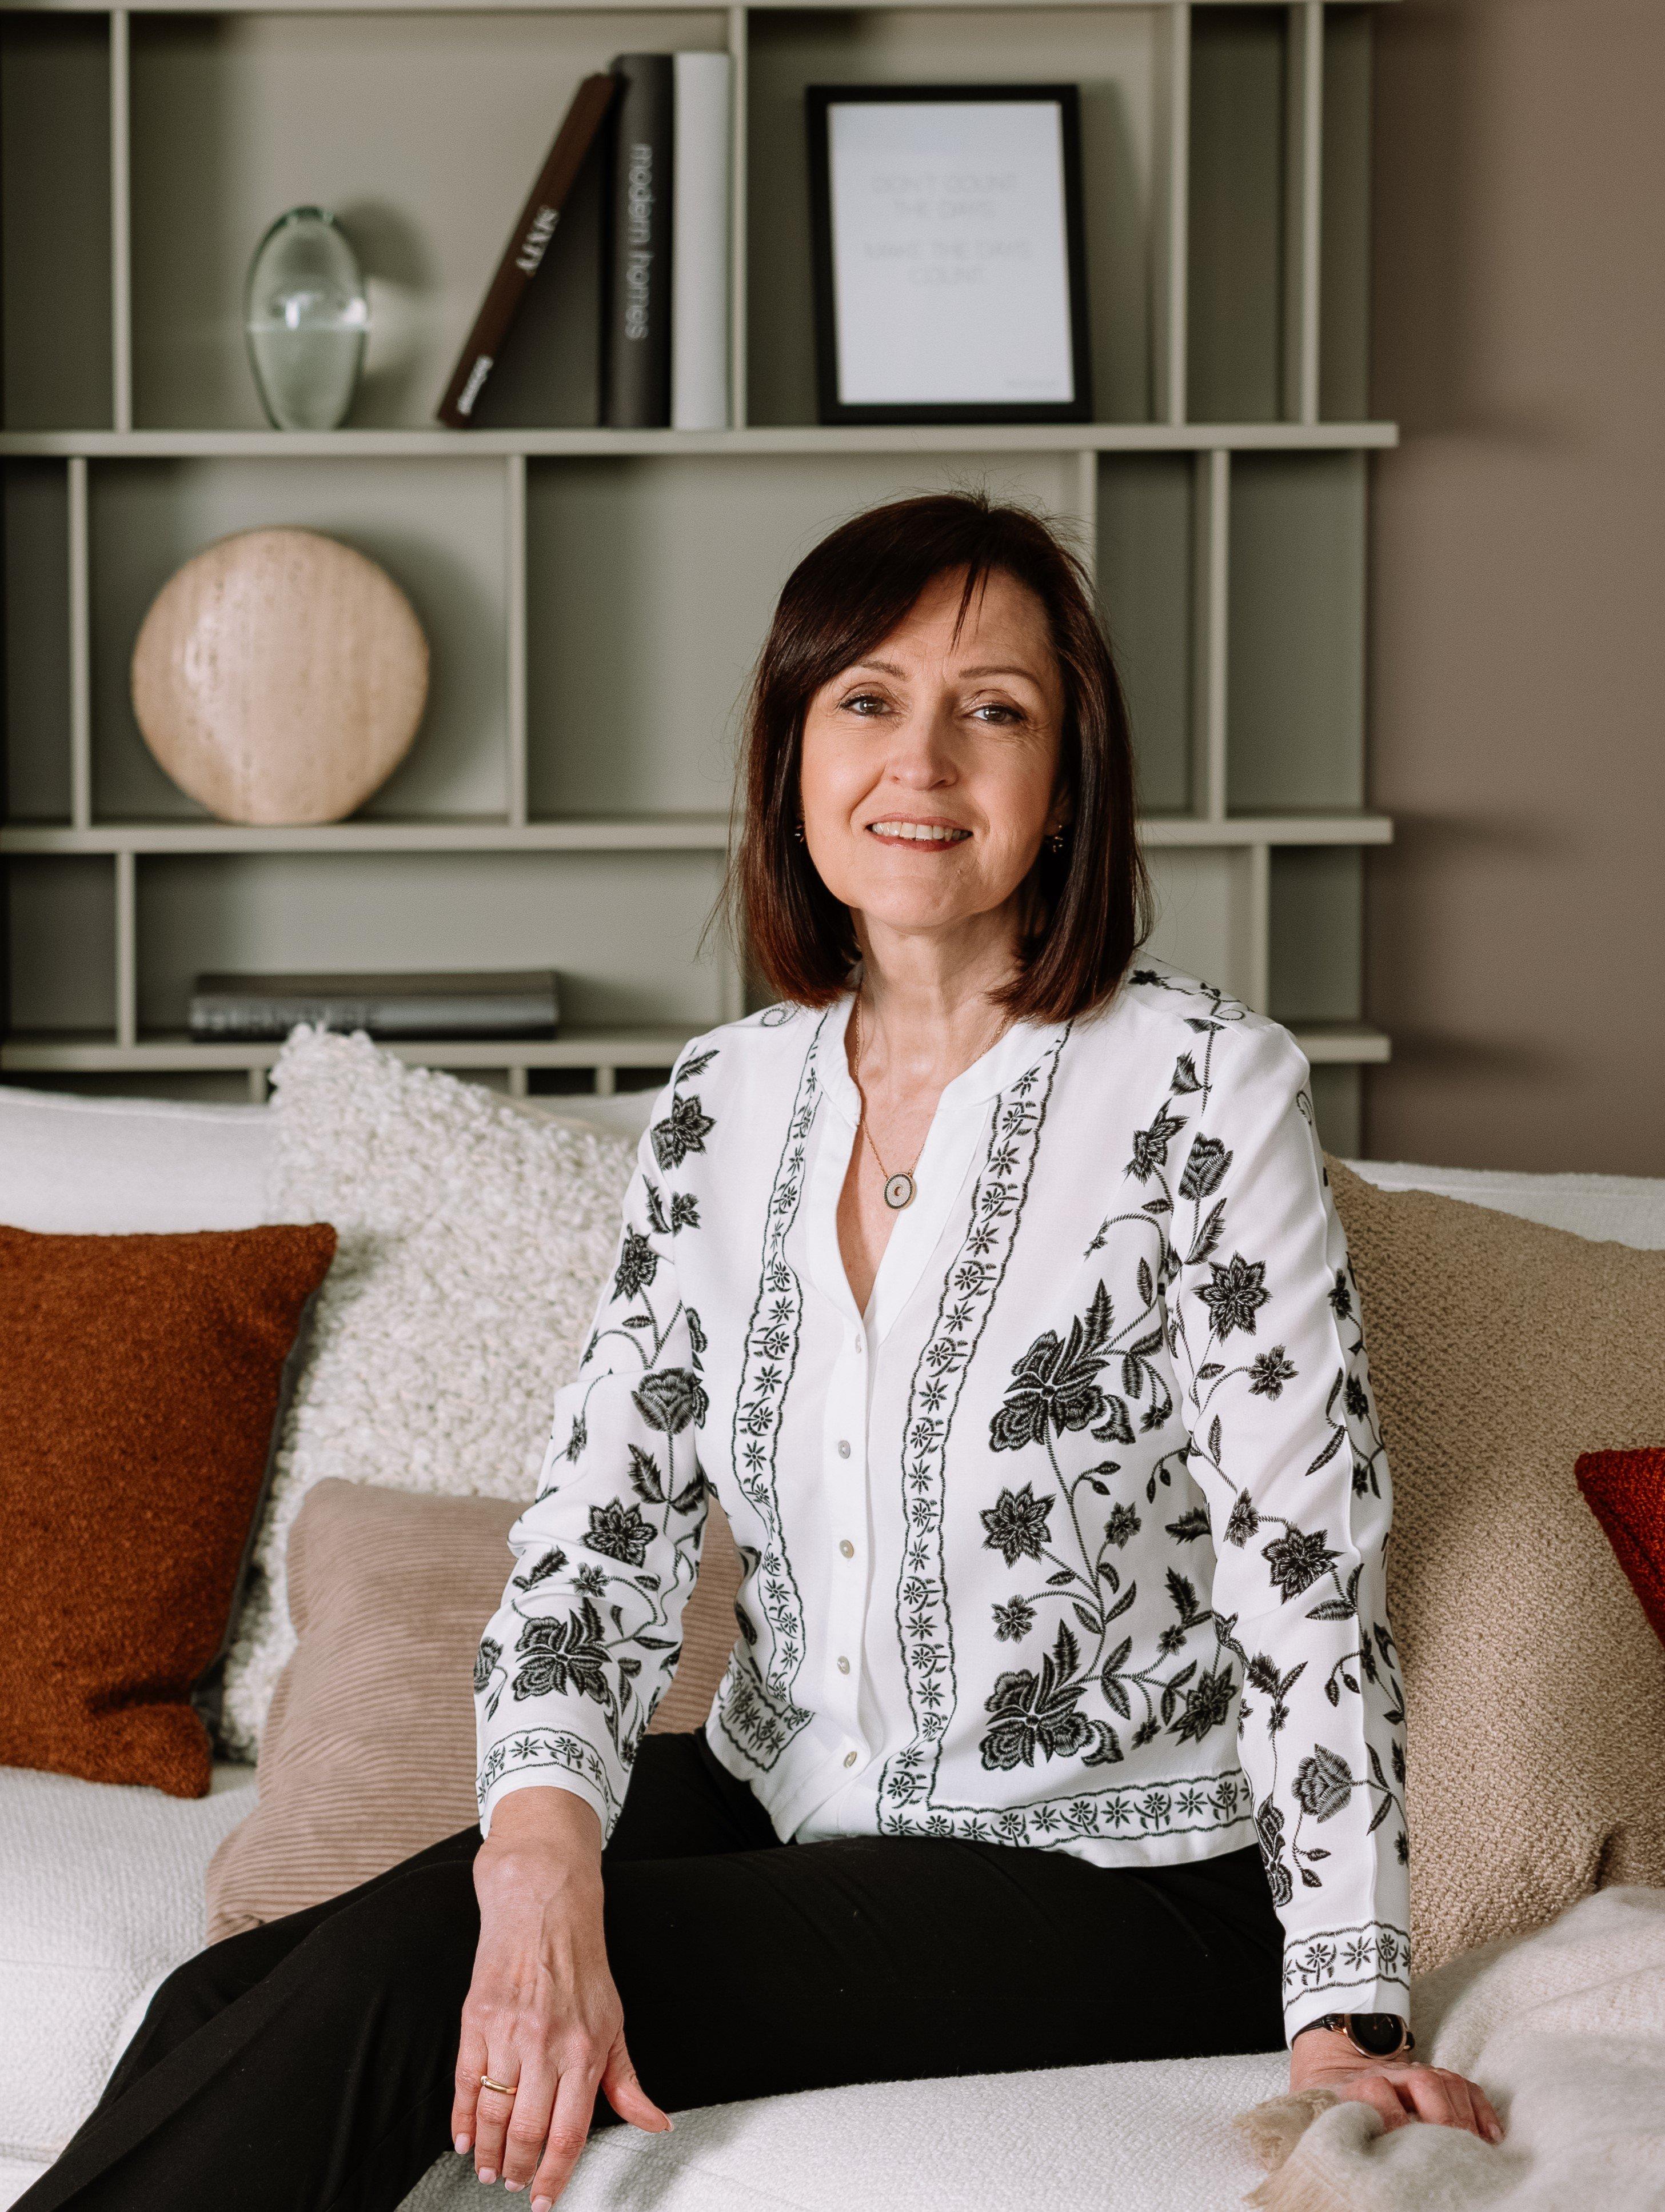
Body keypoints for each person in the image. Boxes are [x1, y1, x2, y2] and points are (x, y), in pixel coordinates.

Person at [22, 493, 1503, 2212]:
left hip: (1123, 1876)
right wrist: (537, 1858)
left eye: (994, 709)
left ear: (1070, 777)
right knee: (223, 1996)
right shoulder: (724, 1099)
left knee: (401, 1989)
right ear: (794, 752)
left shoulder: (1205, 1089)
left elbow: (1304, 1565)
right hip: (779, 1791)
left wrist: (1343, 2013)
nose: (922, 761)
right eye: (867, 699)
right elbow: (600, 1532)